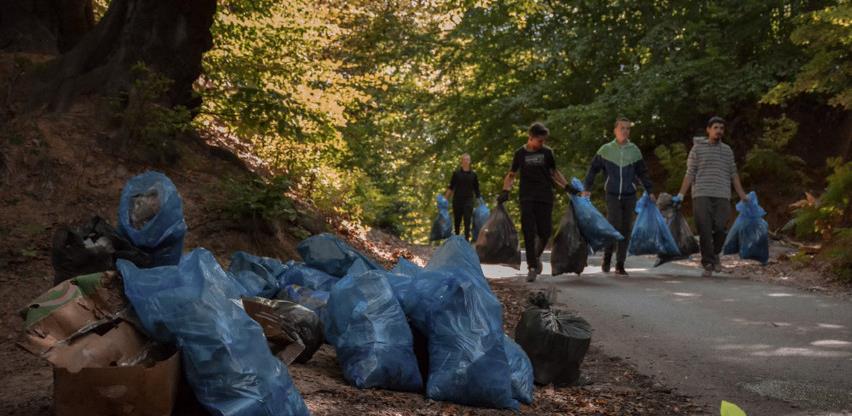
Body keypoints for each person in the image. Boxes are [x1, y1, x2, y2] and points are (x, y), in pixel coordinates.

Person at [498, 122, 576, 282]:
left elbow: (554, 172)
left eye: (544, 141)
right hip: (526, 197)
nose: (542, 143)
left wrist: (567, 186)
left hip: (545, 196)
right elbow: (511, 174)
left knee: (545, 232)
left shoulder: (547, 153)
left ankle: (536, 256)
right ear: (531, 138)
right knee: (528, 230)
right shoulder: (519, 153)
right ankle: (532, 267)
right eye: (539, 141)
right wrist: (505, 191)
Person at [674, 116, 749, 277]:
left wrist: (742, 195)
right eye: (716, 127)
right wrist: (681, 195)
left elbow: (733, 173)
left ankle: (715, 254)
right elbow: (690, 173)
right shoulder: (697, 149)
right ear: (708, 130)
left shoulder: (727, 150)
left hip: (722, 194)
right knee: (705, 229)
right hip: (701, 194)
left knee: (721, 227)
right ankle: (708, 262)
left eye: (721, 128)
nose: (719, 131)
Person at [582, 117, 654, 276]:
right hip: (612, 194)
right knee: (614, 225)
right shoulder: (606, 150)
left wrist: (650, 190)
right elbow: (593, 169)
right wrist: (587, 187)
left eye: (628, 128)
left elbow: (643, 172)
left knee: (626, 228)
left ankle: (620, 264)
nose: (625, 131)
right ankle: (607, 256)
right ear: (615, 130)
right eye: (622, 128)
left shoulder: (634, 150)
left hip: (630, 194)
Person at [445, 153, 482, 241]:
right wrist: (445, 199)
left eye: (467, 159)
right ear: (461, 161)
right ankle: (457, 239)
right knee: (457, 221)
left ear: (470, 161)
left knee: (467, 220)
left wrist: (480, 201)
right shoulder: (456, 174)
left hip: (468, 200)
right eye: (464, 159)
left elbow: (476, 189)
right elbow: (451, 187)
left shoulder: (473, 175)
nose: (466, 161)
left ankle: (466, 240)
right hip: (457, 200)